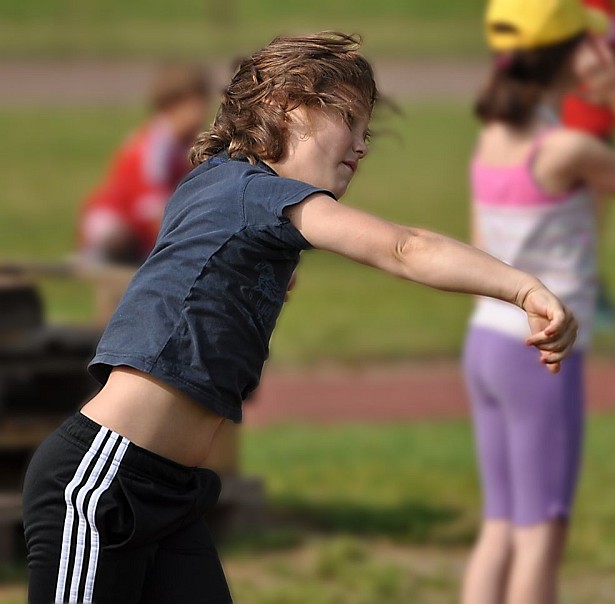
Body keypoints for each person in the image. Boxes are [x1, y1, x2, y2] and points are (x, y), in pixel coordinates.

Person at [22, 33, 578, 604]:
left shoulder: (221, 189)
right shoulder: (255, 192)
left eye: (368, 131)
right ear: (288, 107)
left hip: (170, 492)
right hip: (104, 482)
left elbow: (197, 266)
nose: (362, 146)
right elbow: (405, 248)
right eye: (349, 120)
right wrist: (524, 286)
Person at [462, 1, 615, 603]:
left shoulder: (491, 137)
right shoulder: (566, 149)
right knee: (542, 533)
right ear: (566, 56)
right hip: (541, 355)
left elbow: (482, 248)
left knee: (501, 526)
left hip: (485, 342)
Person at [78, 63, 212, 266]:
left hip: (145, 231)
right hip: (117, 224)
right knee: (119, 242)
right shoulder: (153, 149)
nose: (202, 112)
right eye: (196, 104)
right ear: (172, 106)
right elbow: (153, 212)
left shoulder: (185, 144)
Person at [561, 0, 615, 330]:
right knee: (572, 221)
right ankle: (583, 294)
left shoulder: (605, 6)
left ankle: (587, 292)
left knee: (589, 221)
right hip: (567, 123)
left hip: (599, 123)